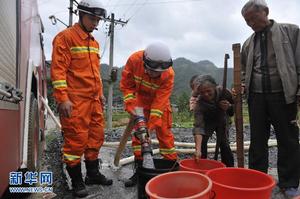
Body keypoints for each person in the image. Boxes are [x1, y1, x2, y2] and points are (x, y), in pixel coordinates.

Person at [50, 0, 112, 197]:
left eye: (98, 20)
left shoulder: (93, 42)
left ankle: (92, 174)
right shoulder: (65, 38)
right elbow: (58, 71)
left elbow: (95, 73)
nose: (96, 23)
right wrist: (63, 98)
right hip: (75, 101)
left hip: (93, 100)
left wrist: (100, 93)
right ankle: (76, 181)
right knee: (76, 142)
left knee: (96, 137)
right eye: (92, 19)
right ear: (81, 15)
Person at [240, 0, 300, 197]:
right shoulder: (248, 43)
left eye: (253, 19)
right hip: (256, 98)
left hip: (284, 96)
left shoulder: (291, 32)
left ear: (265, 11)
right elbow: (242, 72)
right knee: (257, 141)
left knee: (288, 140)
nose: (251, 24)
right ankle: (257, 179)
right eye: (247, 21)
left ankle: (289, 183)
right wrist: (242, 85)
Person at [120, 41, 177, 187]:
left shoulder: (168, 74)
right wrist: (131, 105)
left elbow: (160, 102)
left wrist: (151, 126)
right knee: (138, 138)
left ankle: (171, 171)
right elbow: (127, 85)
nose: (155, 74)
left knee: (165, 137)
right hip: (139, 103)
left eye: (159, 73)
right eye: (152, 71)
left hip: (160, 104)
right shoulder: (134, 61)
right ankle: (140, 172)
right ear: (145, 62)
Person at [192, 75, 234, 167]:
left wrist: (229, 107)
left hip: (223, 119)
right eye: (202, 92)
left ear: (214, 87)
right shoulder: (199, 104)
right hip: (207, 122)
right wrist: (197, 150)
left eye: (208, 91)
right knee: (202, 142)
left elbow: (234, 110)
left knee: (224, 144)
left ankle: (229, 169)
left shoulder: (225, 93)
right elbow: (198, 127)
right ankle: (201, 166)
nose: (206, 94)